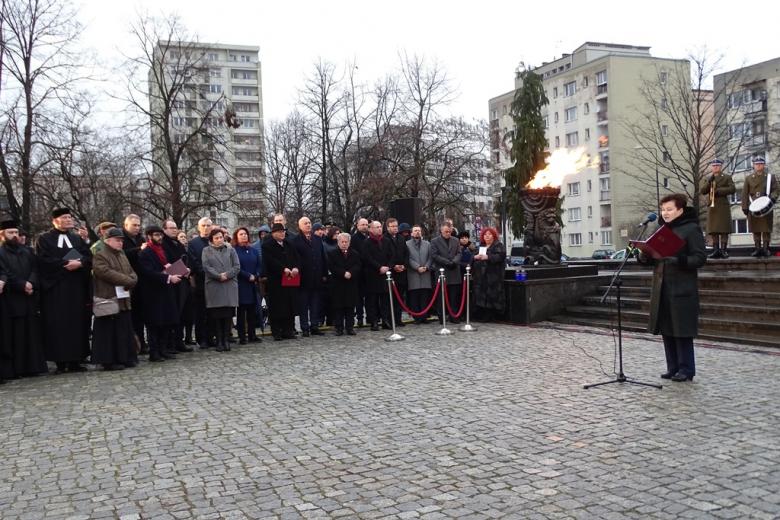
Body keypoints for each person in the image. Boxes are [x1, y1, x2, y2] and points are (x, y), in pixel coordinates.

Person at [637, 193, 707, 382]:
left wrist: (677, 260)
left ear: (680, 210)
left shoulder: (691, 229)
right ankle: (673, 367)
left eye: (669, 209)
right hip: (662, 287)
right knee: (667, 328)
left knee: (681, 330)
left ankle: (686, 369)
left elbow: (700, 258)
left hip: (682, 288)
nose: (665, 213)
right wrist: (645, 255)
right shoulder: (661, 230)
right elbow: (655, 257)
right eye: (663, 209)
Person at [36, 207, 93, 374]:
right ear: (55, 221)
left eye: (70, 217)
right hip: (56, 289)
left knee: (77, 323)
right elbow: (43, 260)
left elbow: (88, 256)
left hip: (76, 288)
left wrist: (80, 263)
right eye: (65, 217)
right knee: (58, 324)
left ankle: (76, 360)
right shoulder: (44, 239)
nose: (69, 220)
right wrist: (65, 265)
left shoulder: (76, 239)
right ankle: (60, 362)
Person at [0, 220, 47, 380]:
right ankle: (18, 368)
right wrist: (22, 284)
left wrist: (31, 283)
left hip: (30, 297)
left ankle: (32, 367)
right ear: (2, 235)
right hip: (13, 298)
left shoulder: (27, 251)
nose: (14, 236)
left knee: (31, 333)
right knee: (17, 334)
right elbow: (4, 273)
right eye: (10, 233)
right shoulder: (1, 253)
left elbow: (35, 268)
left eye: (16, 232)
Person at [91, 227, 138, 370]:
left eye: (122, 240)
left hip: (123, 297)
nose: (120, 243)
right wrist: (127, 280)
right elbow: (104, 272)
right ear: (108, 240)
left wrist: (133, 279)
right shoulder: (100, 255)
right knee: (109, 332)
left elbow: (131, 271)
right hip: (108, 298)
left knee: (123, 330)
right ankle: (109, 360)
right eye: (117, 240)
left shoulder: (122, 254)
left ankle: (125, 357)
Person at [138, 225, 183, 362]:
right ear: (149, 237)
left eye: (161, 235)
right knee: (155, 323)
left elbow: (168, 264)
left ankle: (164, 349)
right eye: (157, 235)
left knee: (166, 322)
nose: (160, 238)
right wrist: (168, 277)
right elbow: (148, 272)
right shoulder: (145, 253)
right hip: (153, 293)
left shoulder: (163, 249)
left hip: (166, 291)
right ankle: (154, 352)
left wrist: (178, 269)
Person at [202, 228, 240, 351]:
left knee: (228, 315)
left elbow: (237, 266)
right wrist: (219, 276)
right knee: (217, 316)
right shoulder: (206, 250)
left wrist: (227, 275)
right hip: (215, 285)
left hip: (229, 285)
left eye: (221, 237)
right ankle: (219, 340)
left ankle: (226, 340)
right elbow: (206, 267)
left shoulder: (231, 249)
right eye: (216, 238)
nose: (219, 240)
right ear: (212, 240)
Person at [262, 223, 300, 340]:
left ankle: (288, 330)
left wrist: (296, 267)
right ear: (273, 233)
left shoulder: (289, 244)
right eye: (279, 232)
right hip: (276, 281)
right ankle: (276, 331)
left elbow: (297, 258)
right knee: (277, 307)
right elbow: (270, 261)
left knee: (289, 306)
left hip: (290, 280)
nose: (282, 233)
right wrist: (283, 269)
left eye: (283, 231)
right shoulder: (267, 245)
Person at [292, 216, 327, 337]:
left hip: (317, 277)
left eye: (309, 222)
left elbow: (322, 257)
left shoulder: (317, 239)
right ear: (300, 226)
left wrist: (324, 273)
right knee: (303, 305)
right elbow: (295, 260)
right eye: (305, 223)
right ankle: (305, 327)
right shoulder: (296, 241)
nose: (308, 225)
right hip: (303, 278)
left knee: (315, 304)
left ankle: (314, 326)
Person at [162, 220, 193, 353]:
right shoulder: (163, 245)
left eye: (175, 228)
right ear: (164, 229)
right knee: (173, 313)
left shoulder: (178, 244)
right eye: (171, 228)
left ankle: (179, 341)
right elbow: (165, 263)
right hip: (171, 283)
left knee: (183, 313)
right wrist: (181, 270)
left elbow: (186, 258)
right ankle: (170, 343)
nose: (174, 230)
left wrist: (188, 269)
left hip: (183, 282)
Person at [741, 156, 779, 257]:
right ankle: (757, 249)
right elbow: (745, 193)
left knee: (766, 229)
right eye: (756, 164)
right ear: (753, 165)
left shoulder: (770, 177)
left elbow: (776, 190)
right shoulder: (748, 178)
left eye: (761, 164)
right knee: (755, 229)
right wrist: (744, 206)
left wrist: (772, 198)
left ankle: (766, 249)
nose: (758, 165)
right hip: (753, 206)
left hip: (766, 206)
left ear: (764, 165)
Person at [698, 159, 736, 259]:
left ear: (721, 167)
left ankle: (723, 250)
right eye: (713, 166)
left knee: (724, 229)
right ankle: (715, 250)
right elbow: (703, 191)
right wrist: (709, 182)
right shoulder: (709, 178)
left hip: (722, 205)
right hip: (712, 206)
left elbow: (732, 189)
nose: (715, 167)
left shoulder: (727, 177)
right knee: (713, 229)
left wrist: (719, 191)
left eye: (717, 166)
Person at [361, 220, 394, 331]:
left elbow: (391, 256)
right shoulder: (367, 242)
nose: (379, 229)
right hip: (372, 275)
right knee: (372, 300)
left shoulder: (386, 241)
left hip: (385, 275)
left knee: (385, 300)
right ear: (371, 229)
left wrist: (387, 267)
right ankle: (374, 321)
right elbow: (367, 258)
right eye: (377, 227)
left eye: (380, 226)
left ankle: (385, 320)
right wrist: (379, 267)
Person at [187, 217, 214, 348]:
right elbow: (194, 263)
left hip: (215, 283)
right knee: (201, 312)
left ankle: (211, 337)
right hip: (201, 282)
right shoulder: (193, 243)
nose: (206, 228)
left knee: (212, 312)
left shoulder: (215, 241)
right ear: (199, 227)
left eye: (208, 225)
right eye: (203, 225)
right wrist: (209, 273)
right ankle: (201, 338)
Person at [327, 233, 361, 336]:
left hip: (351, 284)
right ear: (338, 242)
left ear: (349, 243)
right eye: (342, 242)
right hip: (338, 284)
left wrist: (351, 272)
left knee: (350, 307)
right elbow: (332, 267)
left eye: (346, 242)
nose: (344, 244)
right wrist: (343, 273)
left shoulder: (355, 253)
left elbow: (358, 265)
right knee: (338, 308)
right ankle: (339, 328)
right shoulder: (332, 253)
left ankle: (350, 327)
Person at [121, 214, 146, 353]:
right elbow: (121, 254)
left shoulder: (140, 238)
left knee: (140, 316)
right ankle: (132, 345)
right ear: (126, 225)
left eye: (138, 225)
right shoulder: (121, 238)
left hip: (141, 281)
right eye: (134, 225)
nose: (137, 228)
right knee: (129, 316)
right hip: (127, 281)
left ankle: (141, 343)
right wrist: (139, 250)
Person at [471, 227, 506, 322]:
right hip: (481, 278)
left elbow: (500, 256)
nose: (487, 236)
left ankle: (494, 315)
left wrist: (488, 257)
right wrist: (475, 257)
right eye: (485, 234)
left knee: (493, 296)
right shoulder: (481, 246)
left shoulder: (499, 246)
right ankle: (482, 314)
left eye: (489, 234)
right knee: (482, 296)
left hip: (494, 277)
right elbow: (472, 258)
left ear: (493, 236)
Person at [233, 227, 261, 344]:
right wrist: (247, 275)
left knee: (252, 311)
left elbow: (259, 264)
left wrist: (256, 275)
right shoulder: (234, 251)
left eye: (245, 234)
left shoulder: (253, 250)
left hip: (253, 284)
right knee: (241, 312)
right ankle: (242, 336)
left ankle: (252, 334)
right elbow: (236, 267)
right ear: (236, 237)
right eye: (241, 234)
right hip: (241, 284)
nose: (244, 236)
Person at [431, 222, 463, 324]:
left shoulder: (456, 240)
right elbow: (434, 255)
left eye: (449, 231)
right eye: (446, 231)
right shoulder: (434, 241)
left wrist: (454, 261)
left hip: (454, 272)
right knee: (441, 298)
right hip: (442, 272)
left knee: (454, 297)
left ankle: (454, 316)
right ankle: (442, 317)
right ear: (441, 231)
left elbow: (459, 253)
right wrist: (447, 262)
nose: (448, 233)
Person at [406, 225, 433, 324]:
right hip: (413, 274)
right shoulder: (407, 244)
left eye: (419, 231)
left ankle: (424, 316)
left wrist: (426, 266)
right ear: (412, 233)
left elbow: (430, 257)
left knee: (424, 296)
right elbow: (408, 258)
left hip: (425, 273)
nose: (417, 232)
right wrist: (417, 267)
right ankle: (417, 317)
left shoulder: (427, 244)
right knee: (414, 297)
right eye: (415, 231)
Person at [385, 218, 409, 327]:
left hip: (401, 272)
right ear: (388, 227)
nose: (395, 228)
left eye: (396, 226)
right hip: (391, 273)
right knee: (391, 298)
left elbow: (406, 253)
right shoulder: (384, 239)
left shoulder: (401, 238)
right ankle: (390, 319)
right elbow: (385, 255)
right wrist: (393, 266)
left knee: (400, 297)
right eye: (392, 226)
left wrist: (404, 265)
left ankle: (398, 319)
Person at [351, 218, 369, 327]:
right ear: (357, 225)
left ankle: (371, 317)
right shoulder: (354, 239)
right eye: (362, 224)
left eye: (366, 224)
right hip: (358, 272)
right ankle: (360, 318)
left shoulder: (369, 237)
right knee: (358, 298)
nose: (365, 226)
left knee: (369, 297)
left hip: (369, 271)